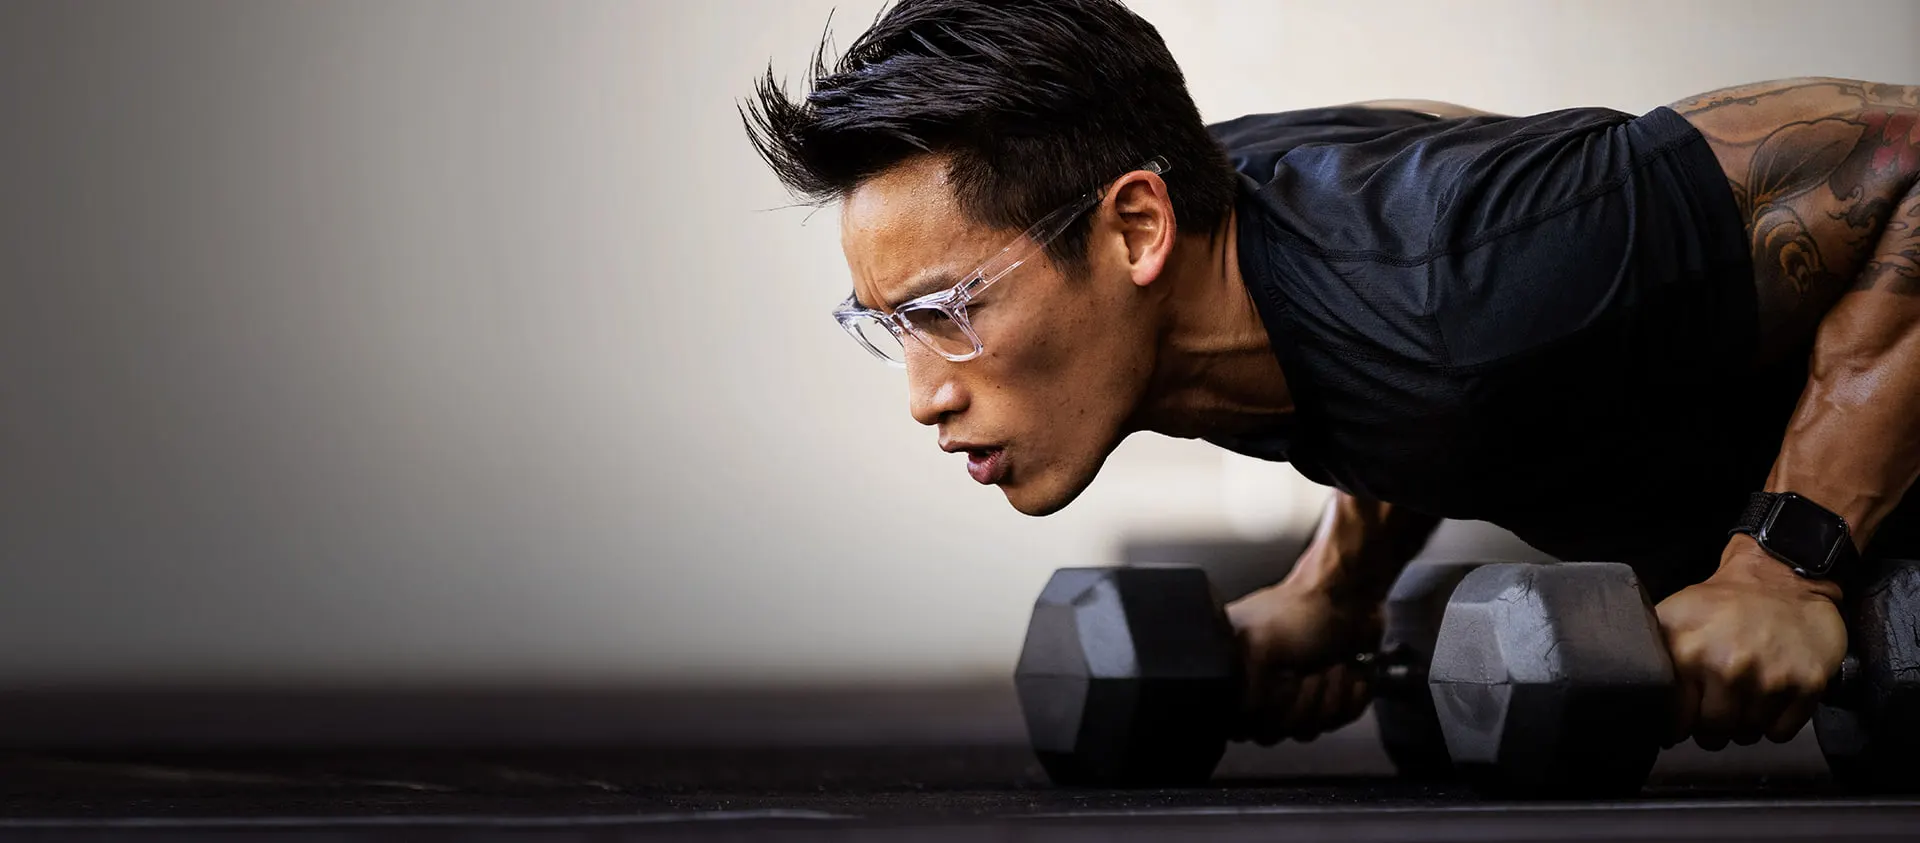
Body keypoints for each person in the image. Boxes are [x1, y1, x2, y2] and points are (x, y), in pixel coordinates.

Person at [742, 0, 1920, 755]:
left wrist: (1785, 564)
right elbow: (1414, 349)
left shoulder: (1473, 264)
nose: (925, 394)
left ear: (1136, 231)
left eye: (950, 313)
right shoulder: (1206, 269)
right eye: (892, 326)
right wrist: (1339, 588)